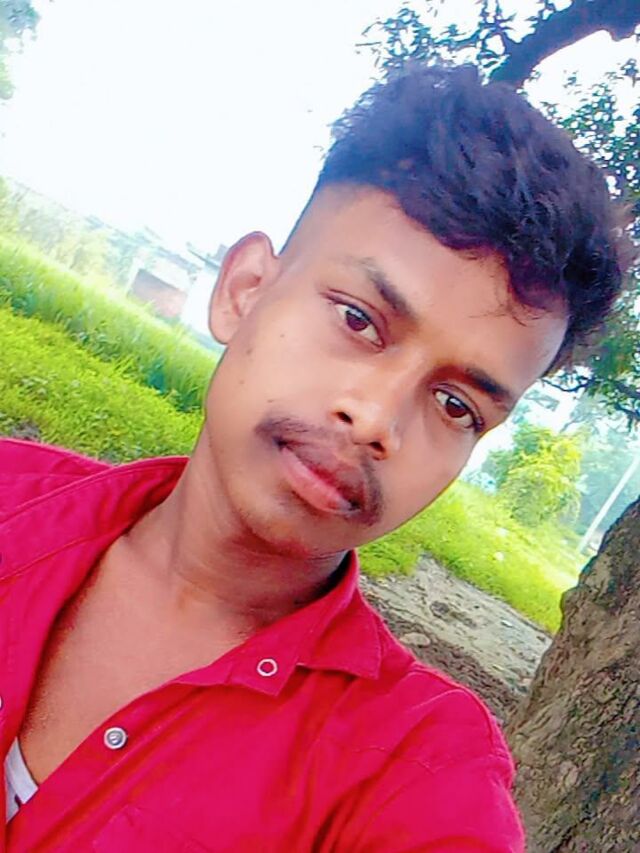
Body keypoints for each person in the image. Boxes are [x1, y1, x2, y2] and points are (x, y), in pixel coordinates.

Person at [0, 62, 628, 851]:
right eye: (360, 321)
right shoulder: (12, 494)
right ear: (245, 289)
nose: (376, 420)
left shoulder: (417, 773)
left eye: (455, 404)